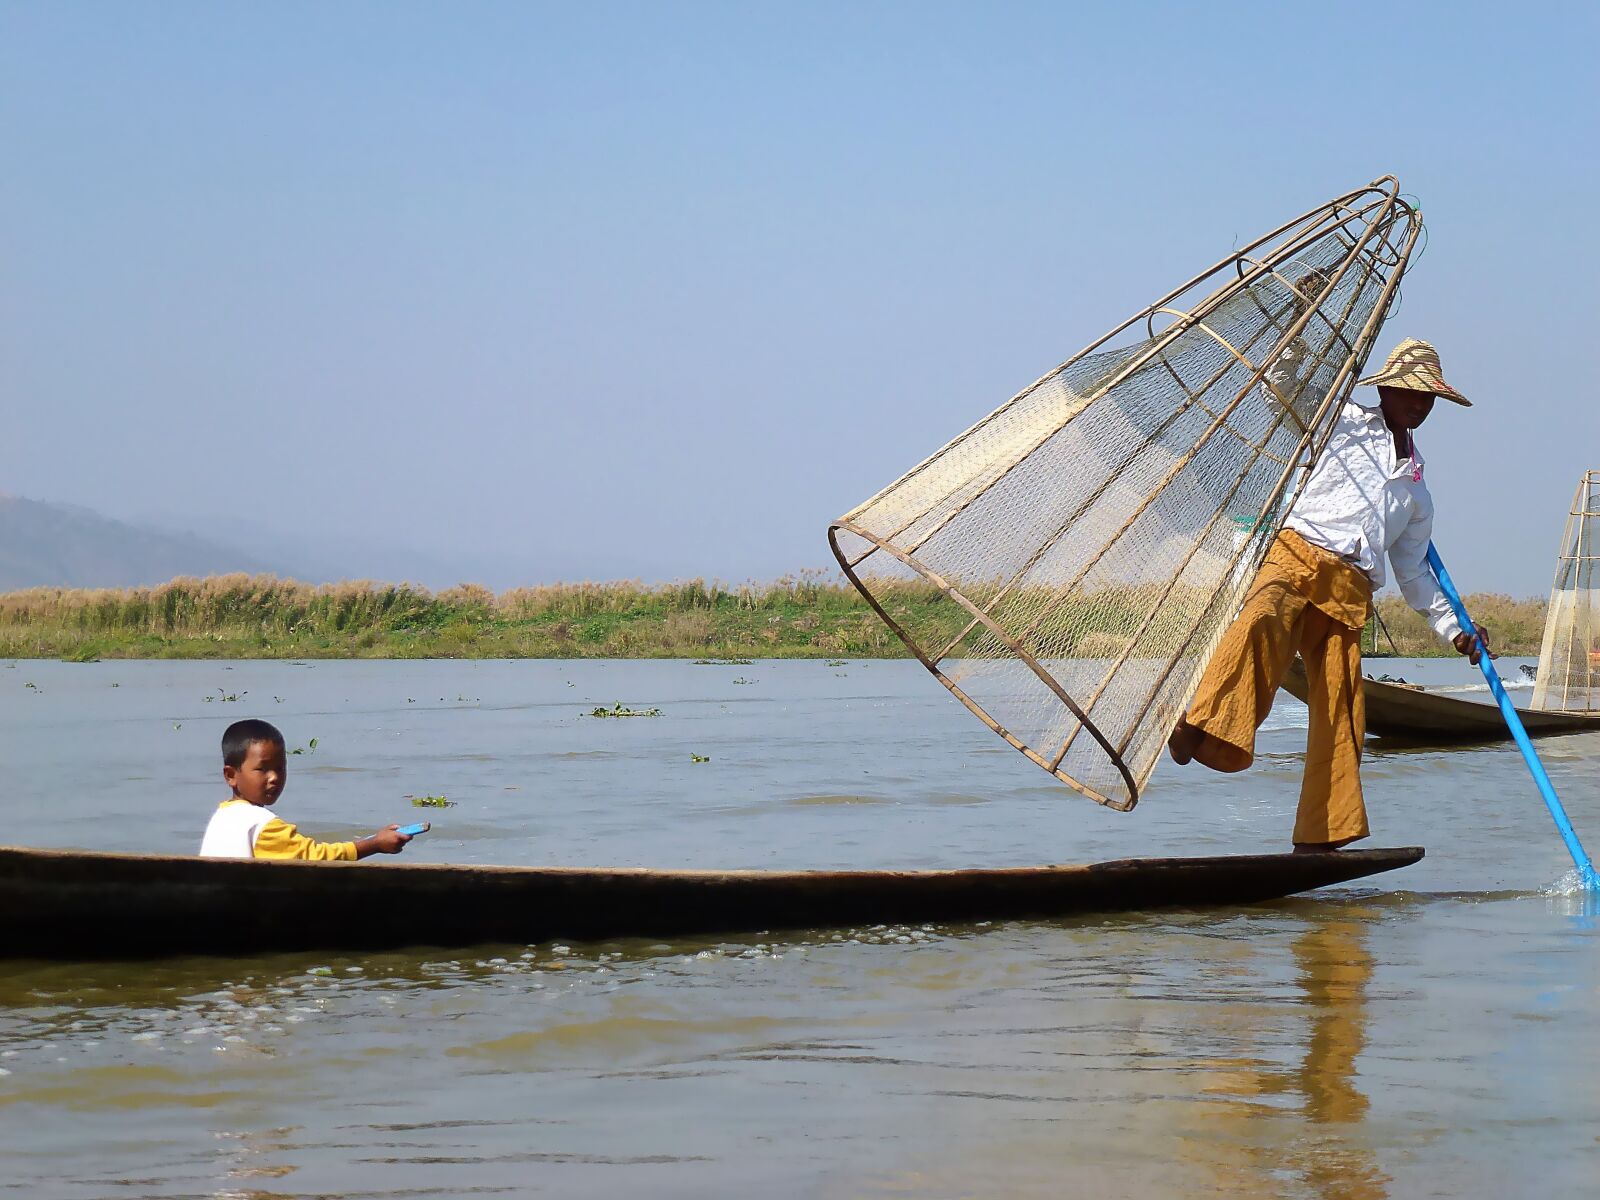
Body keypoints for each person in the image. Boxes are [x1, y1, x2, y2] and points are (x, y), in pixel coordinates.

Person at [1167, 338, 1492, 851]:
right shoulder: (1337, 418)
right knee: (1259, 623)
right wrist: (1296, 340)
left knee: (1342, 709)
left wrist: (1457, 631)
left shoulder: (1415, 489)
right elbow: (1285, 386)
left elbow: (1413, 573)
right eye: (1409, 393)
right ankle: (1200, 724)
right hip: (1295, 556)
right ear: (1383, 389)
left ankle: (1320, 837)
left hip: (1350, 588)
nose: (1418, 405)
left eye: (1427, 399)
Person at [199, 719, 413, 860]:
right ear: (231, 775)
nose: (274, 777)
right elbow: (316, 859)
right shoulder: (263, 826)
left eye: (280, 768)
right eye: (262, 769)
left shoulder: (222, 816)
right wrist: (375, 844)